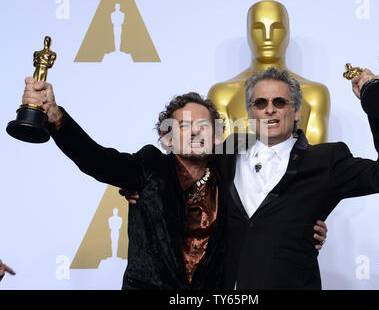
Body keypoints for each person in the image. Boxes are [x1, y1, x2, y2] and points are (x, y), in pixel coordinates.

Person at [21, 77, 327, 290]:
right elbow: (96, 159)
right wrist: (55, 116)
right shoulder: (148, 168)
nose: (195, 132)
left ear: (219, 135)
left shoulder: (233, 173)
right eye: (184, 126)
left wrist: (306, 228)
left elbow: (271, 206)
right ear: (167, 137)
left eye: (204, 125)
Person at [214, 66, 379, 289]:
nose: (270, 110)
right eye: (260, 103)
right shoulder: (225, 153)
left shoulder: (325, 160)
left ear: (296, 111)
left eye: (279, 102)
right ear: (249, 114)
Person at [208, 0, 330, 145]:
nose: (267, 36)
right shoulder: (223, 95)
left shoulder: (314, 95)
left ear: (288, 33)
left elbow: (316, 158)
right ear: (248, 33)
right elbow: (225, 157)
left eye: (277, 28)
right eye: (258, 28)